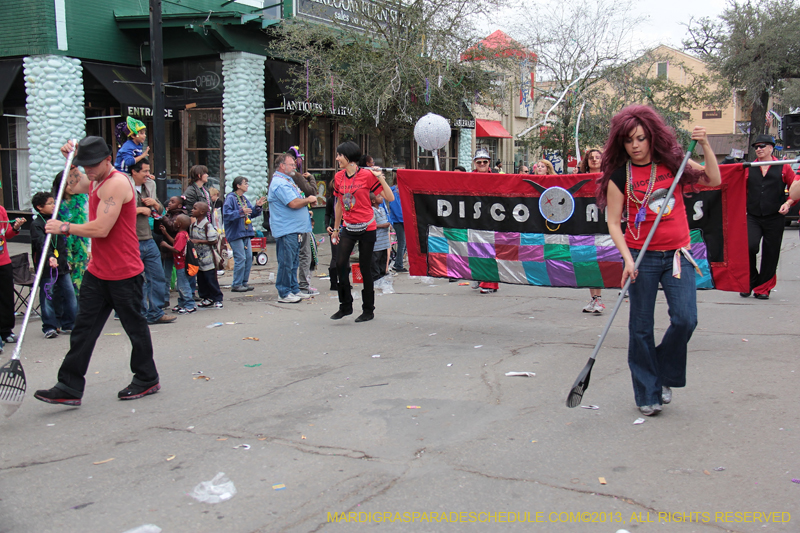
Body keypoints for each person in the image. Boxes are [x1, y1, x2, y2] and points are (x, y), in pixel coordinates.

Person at [596, 105, 720, 416]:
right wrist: (627, 260)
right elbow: (613, 222)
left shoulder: (673, 163)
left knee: (685, 319)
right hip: (642, 257)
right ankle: (647, 392)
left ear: (652, 137)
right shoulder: (619, 175)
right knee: (640, 328)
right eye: (628, 140)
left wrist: (705, 144)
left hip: (679, 254)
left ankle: (662, 372)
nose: (635, 145)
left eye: (640, 138)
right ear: (620, 143)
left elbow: (712, 179)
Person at [35, 136, 161, 406]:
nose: (88, 171)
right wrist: (68, 160)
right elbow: (71, 184)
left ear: (107, 160)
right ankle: (69, 385)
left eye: (92, 165)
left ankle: (147, 377)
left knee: (134, 327)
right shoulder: (94, 179)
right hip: (98, 270)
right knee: (83, 329)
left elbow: (101, 228)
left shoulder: (116, 183)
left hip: (125, 271)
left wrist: (64, 227)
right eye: (85, 165)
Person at [330, 141, 394, 322]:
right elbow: (339, 205)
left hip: (367, 227)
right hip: (347, 227)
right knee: (340, 264)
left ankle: (368, 310)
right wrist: (335, 228)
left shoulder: (366, 176)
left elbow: (390, 197)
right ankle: (345, 306)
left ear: (349, 157)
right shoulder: (339, 177)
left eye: (339, 155)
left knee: (365, 268)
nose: (337, 158)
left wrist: (379, 177)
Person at [743, 135, 798, 299]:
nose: (758, 149)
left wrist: (788, 203)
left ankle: (763, 288)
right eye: (756, 147)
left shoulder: (783, 167)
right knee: (749, 246)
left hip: (775, 216)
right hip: (752, 215)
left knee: (771, 252)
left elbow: (794, 189)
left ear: (771, 148)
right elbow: (738, 189)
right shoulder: (749, 167)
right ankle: (749, 281)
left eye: (762, 146)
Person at [130, 159, 175, 325]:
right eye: (145, 171)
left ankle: (156, 312)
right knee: (137, 280)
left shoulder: (149, 186)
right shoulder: (124, 186)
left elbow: (161, 211)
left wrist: (154, 203)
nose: (149, 175)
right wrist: (139, 210)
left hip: (148, 238)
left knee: (157, 276)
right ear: (134, 172)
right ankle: (140, 314)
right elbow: (116, 212)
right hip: (131, 240)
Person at [268, 153, 317, 303]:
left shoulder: (287, 180)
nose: (294, 167)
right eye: (291, 164)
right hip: (286, 229)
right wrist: (308, 200)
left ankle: (294, 289)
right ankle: (284, 292)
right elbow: (293, 203)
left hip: (295, 228)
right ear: (282, 166)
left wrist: (305, 207)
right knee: (286, 262)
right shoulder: (280, 183)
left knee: (294, 261)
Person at [30, 192, 78, 338]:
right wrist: (50, 257)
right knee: (48, 296)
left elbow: (63, 243)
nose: (53, 205)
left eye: (53, 202)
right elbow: (41, 243)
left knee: (70, 295)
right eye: (50, 203)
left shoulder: (56, 220)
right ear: (39, 207)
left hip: (62, 265)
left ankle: (69, 323)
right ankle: (49, 326)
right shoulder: (36, 224)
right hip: (46, 267)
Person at [222, 176, 265, 292]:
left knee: (249, 258)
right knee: (240, 257)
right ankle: (236, 284)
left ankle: (243, 282)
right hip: (236, 233)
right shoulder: (230, 198)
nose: (247, 185)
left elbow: (251, 213)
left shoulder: (244, 199)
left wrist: (258, 207)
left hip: (246, 232)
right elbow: (226, 215)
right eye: (245, 183)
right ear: (238, 185)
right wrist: (241, 212)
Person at [52, 170, 89, 297]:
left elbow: (89, 224)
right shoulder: (54, 205)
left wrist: (89, 248)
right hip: (62, 247)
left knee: (79, 281)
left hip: (80, 246)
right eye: (69, 184)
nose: (73, 187)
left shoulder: (83, 202)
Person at [578, 148, 605, 314]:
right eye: (591, 158)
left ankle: (599, 298)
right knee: (588, 262)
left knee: (600, 261)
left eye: (597, 157)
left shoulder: (608, 178)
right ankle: (594, 298)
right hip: (586, 224)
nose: (594, 160)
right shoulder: (581, 179)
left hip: (603, 223)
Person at [471, 148, 500, 294]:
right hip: (473, 219)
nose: (482, 164)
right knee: (475, 250)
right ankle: (479, 277)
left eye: (484, 161)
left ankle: (489, 283)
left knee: (489, 251)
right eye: (479, 162)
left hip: (491, 219)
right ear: (475, 163)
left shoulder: (497, 177)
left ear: (489, 162)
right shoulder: (468, 178)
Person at [160, 214, 196, 314]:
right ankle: (182, 303)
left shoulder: (181, 235)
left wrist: (166, 245)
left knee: (183, 286)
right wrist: (165, 233)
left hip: (181, 265)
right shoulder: (183, 234)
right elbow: (175, 243)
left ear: (179, 224)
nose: (174, 222)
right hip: (181, 264)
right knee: (181, 285)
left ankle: (190, 305)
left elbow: (177, 249)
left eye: (175, 221)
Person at [189, 202, 223, 308]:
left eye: (194, 208)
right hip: (198, 258)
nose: (192, 210)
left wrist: (198, 241)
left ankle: (217, 298)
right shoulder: (193, 225)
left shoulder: (207, 225)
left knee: (211, 279)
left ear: (202, 212)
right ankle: (206, 297)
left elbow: (213, 240)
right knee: (201, 279)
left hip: (208, 258)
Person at [0, 208, 25, 349]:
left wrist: (16, 227)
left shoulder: (1, 210)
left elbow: (7, 234)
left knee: (7, 298)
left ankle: (6, 331)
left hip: (3, 262)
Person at [158, 196, 186, 304]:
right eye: (169, 201)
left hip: (176, 249)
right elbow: (160, 229)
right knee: (166, 275)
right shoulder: (168, 214)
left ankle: (185, 300)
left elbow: (172, 227)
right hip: (167, 250)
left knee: (181, 275)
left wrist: (162, 217)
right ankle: (165, 298)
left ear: (179, 205)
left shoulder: (181, 216)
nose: (169, 203)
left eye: (172, 202)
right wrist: (158, 219)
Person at [387, 176, 406, 272]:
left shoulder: (401, 189)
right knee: (402, 242)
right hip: (399, 220)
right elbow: (396, 207)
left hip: (401, 219)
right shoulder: (394, 190)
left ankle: (399, 262)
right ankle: (398, 264)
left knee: (404, 243)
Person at [371, 192, 391, 282]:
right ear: (373, 201)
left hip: (384, 241)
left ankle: (382, 276)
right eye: (379, 196)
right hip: (377, 242)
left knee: (383, 259)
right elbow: (371, 225)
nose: (382, 197)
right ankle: (376, 278)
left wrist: (388, 225)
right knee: (376, 261)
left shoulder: (382, 209)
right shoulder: (371, 211)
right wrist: (383, 225)